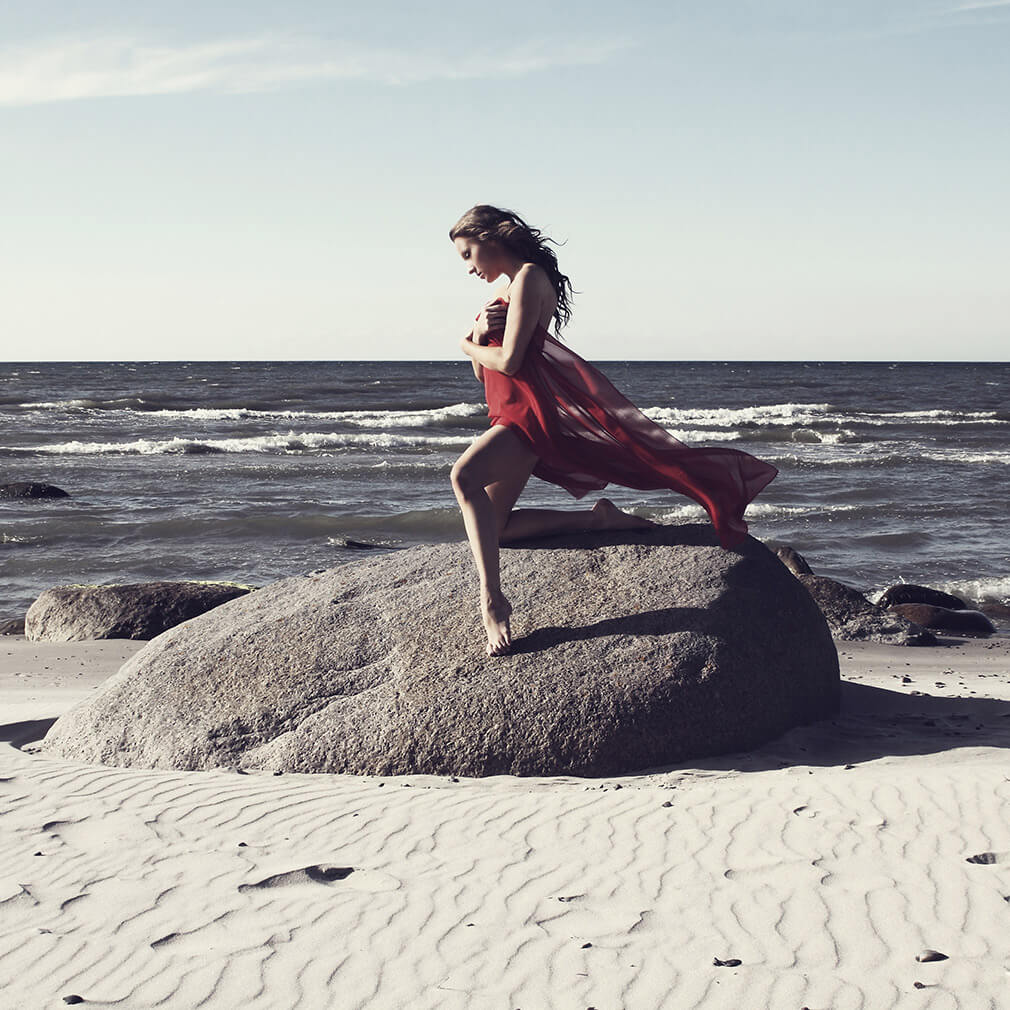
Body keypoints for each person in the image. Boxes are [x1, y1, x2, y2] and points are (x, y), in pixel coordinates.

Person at [449, 205, 777, 657]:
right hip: (505, 411)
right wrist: (477, 334)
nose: (468, 268)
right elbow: (483, 373)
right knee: (497, 526)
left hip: (526, 417)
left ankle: (492, 600)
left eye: (468, 254)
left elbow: (508, 362)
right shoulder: (504, 289)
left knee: (463, 477)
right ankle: (597, 519)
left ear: (489, 238)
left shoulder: (528, 278)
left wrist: (463, 341)